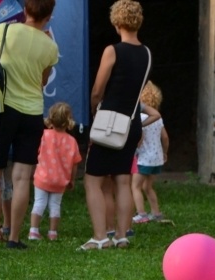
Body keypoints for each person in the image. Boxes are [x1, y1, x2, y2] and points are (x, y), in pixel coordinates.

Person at [0, 0, 58, 250]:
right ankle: (15, 238)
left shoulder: (4, 31)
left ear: (26, 9)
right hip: (32, 114)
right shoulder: (50, 47)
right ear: (49, 15)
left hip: (1, 110)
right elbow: (42, 81)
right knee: (21, 178)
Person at [81, 0, 156, 250]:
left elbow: (97, 90)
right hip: (132, 122)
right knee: (123, 180)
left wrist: (94, 108)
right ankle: (122, 236)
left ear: (116, 22)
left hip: (109, 123)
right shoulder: (146, 53)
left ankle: (100, 236)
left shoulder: (112, 50)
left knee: (93, 179)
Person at [28, 102, 81, 241]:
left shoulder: (44, 135)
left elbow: (37, 153)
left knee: (39, 202)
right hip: (60, 180)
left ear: (51, 118)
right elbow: (75, 163)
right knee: (55, 205)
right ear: (69, 120)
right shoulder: (72, 141)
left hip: (42, 178)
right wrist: (72, 179)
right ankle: (52, 233)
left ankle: (34, 231)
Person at [132, 80, 169, 224]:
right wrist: (165, 152)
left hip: (143, 158)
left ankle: (141, 214)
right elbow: (165, 137)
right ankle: (156, 213)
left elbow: (139, 139)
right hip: (156, 158)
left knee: (135, 186)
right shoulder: (158, 118)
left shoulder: (139, 118)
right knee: (148, 187)